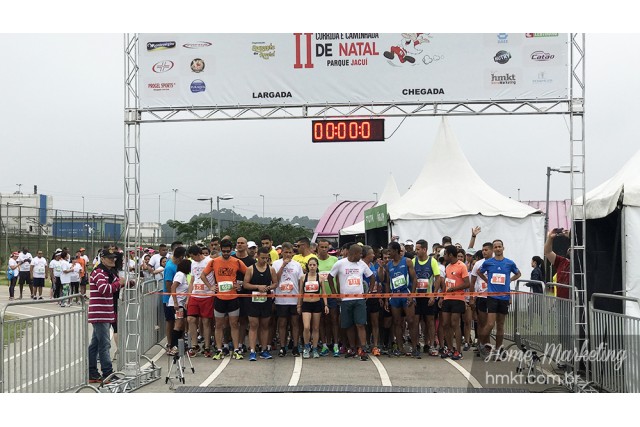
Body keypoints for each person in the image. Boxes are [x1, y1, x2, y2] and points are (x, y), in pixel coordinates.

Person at [201, 239, 248, 360]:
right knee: (219, 325)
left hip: (233, 298)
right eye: (224, 251)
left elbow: (249, 273)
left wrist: (241, 284)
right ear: (221, 250)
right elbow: (203, 275)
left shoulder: (237, 262)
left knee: (234, 324)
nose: (226, 253)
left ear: (232, 250)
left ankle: (236, 350)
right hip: (219, 298)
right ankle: (219, 349)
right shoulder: (214, 262)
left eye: (228, 251)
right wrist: (210, 286)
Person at [328, 243, 374, 361]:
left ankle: (362, 349)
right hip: (345, 300)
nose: (361, 255)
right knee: (348, 325)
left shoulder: (362, 264)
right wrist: (335, 294)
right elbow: (330, 277)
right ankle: (352, 348)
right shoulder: (340, 263)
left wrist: (368, 293)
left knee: (360, 324)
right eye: (359, 253)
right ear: (352, 253)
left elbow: (371, 276)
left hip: (359, 299)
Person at [477, 239, 521, 357]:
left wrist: (509, 280)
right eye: (495, 247)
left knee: (500, 325)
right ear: (493, 249)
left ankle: (498, 350)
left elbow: (518, 274)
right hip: (492, 297)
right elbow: (479, 272)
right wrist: (487, 281)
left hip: (504, 297)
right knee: (490, 324)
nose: (497, 249)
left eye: (499, 246)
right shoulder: (488, 263)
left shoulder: (509, 263)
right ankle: (481, 343)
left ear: (503, 248)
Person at [88, 248, 121, 383]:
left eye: (114, 257)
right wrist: (119, 283)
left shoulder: (107, 272)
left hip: (104, 313)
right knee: (104, 345)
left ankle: (92, 373)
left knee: (95, 345)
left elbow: (112, 286)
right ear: (102, 259)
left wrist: (122, 283)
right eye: (109, 258)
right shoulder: (99, 272)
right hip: (100, 313)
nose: (113, 260)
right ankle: (107, 373)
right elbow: (104, 289)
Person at [384, 241, 420, 358]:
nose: (388, 253)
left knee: (411, 321)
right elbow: (388, 282)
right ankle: (400, 348)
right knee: (397, 322)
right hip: (394, 296)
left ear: (396, 251)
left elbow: (414, 279)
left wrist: (412, 295)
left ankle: (415, 347)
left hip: (406, 294)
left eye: (390, 251)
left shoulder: (407, 261)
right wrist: (387, 298)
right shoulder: (389, 265)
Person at [243, 246, 278, 361]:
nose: (264, 260)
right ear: (257, 257)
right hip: (253, 301)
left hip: (265, 300)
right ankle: (252, 350)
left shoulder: (271, 269)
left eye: (266, 258)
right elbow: (245, 284)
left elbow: (275, 283)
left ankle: (264, 350)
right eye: (262, 258)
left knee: (265, 326)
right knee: (253, 325)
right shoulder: (250, 269)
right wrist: (257, 287)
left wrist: (268, 287)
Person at [272, 242, 304, 357]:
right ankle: (282, 346)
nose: (288, 255)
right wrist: (283, 266)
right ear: (282, 253)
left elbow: (301, 282)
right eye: (286, 252)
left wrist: (300, 299)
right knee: (282, 323)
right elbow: (275, 279)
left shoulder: (297, 265)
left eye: (290, 252)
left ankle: (295, 346)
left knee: (295, 323)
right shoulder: (276, 264)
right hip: (281, 299)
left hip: (294, 298)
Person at [439, 245, 470, 360]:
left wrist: (455, 289)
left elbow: (467, 283)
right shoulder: (447, 266)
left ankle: (458, 350)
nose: (444, 256)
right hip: (447, 298)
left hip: (458, 299)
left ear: (450, 255)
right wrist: (442, 297)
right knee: (445, 323)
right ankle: (450, 349)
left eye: (445, 254)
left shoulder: (462, 266)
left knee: (454, 324)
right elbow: (446, 283)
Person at [413, 239, 442, 357]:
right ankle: (415, 346)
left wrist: (433, 295)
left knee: (429, 322)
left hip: (428, 297)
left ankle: (430, 345)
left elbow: (437, 278)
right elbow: (411, 280)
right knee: (415, 322)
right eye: (416, 249)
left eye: (418, 249)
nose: (416, 251)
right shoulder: (414, 262)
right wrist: (412, 296)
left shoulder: (432, 261)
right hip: (416, 297)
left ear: (424, 249)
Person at [186, 245, 214, 358]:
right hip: (195, 294)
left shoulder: (210, 261)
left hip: (207, 295)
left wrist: (213, 288)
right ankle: (194, 345)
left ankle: (207, 346)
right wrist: (188, 296)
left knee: (206, 322)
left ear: (198, 254)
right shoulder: (193, 263)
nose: (192, 259)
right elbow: (192, 280)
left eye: (193, 257)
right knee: (190, 319)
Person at [298, 257, 328, 359]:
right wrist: (299, 305)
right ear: (307, 266)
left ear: (317, 266)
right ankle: (306, 347)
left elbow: (323, 293)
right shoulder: (303, 277)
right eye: (310, 265)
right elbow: (300, 293)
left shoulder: (320, 278)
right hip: (306, 304)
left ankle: (315, 348)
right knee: (306, 327)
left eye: (314, 265)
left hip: (317, 304)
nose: (312, 267)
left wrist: (326, 305)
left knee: (316, 328)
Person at [233, 236, 256, 354]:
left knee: (243, 320)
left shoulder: (252, 262)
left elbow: (254, 278)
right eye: (238, 243)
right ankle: (229, 344)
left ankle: (241, 344)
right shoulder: (231, 258)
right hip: (231, 294)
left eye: (242, 243)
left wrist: (242, 285)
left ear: (246, 245)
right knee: (230, 321)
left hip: (246, 295)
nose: (240, 245)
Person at [316, 238, 339, 356]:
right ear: (317, 247)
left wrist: (337, 293)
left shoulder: (335, 260)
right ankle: (324, 344)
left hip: (331, 295)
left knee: (334, 320)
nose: (324, 249)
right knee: (321, 321)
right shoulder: (314, 260)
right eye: (322, 247)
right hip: (318, 295)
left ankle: (335, 344)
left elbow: (338, 278)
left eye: (326, 247)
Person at [163, 246, 186, 354]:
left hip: (178, 300)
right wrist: (173, 298)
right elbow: (169, 284)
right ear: (180, 257)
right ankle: (171, 344)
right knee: (171, 321)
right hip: (170, 300)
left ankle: (177, 344)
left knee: (179, 322)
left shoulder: (177, 267)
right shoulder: (170, 267)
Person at [166, 259, 192, 356]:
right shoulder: (180, 275)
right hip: (176, 304)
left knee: (181, 323)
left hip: (181, 303)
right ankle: (173, 346)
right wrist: (176, 302)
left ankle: (178, 345)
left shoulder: (184, 276)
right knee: (178, 323)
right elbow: (173, 287)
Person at [543, 229, 571, 299]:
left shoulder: (580, 264)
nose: (570, 249)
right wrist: (550, 238)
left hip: (575, 302)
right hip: (561, 302)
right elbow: (547, 252)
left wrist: (571, 236)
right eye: (570, 248)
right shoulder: (562, 261)